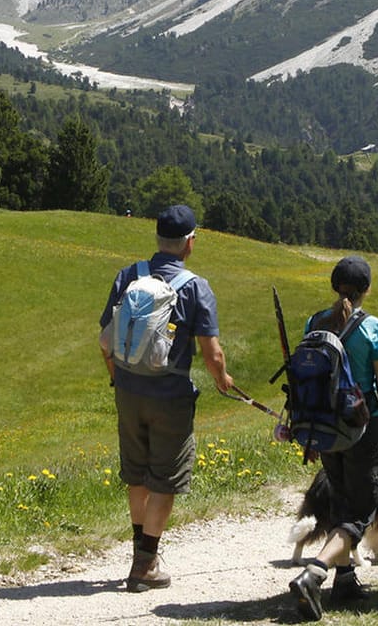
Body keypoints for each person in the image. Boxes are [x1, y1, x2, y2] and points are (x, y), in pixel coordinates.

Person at [98, 204, 235, 592]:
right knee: (165, 478)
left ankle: (142, 552)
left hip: (127, 390)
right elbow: (212, 353)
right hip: (170, 394)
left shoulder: (128, 276)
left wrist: (119, 380)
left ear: (158, 238)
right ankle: (145, 565)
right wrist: (222, 379)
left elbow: (105, 341)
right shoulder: (195, 287)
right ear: (190, 243)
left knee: (137, 472)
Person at [288, 256, 378, 621]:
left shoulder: (314, 322)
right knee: (360, 511)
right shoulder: (373, 328)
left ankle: (345, 578)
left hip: (324, 428)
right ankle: (315, 573)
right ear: (367, 289)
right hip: (362, 426)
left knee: (341, 502)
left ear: (334, 286)